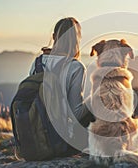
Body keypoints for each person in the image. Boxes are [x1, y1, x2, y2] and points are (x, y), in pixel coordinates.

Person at [29, 17, 93, 153]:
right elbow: (76, 115)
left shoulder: (37, 63)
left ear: (53, 36)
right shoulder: (75, 67)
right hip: (62, 143)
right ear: (78, 39)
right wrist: (95, 98)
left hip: (35, 138)